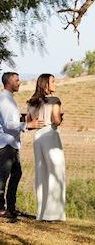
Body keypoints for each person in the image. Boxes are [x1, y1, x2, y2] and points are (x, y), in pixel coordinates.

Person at [0, 72, 43, 220]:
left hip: (12, 144)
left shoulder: (9, 99)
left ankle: (11, 207)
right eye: (17, 80)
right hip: (5, 145)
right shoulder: (5, 100)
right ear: (8, 82)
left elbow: (12, 120)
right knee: (2, 178)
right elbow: (8, 124)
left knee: (16, 174)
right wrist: (27, 124)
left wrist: (23, 120)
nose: (20, 82)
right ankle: (1, 209)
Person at [27, 73, 66, 221]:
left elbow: (30, 123)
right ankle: (54, 214)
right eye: (53, 81)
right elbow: (56, 120)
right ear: (46, 85)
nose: (55, 84)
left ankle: (41, 213)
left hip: (38, 136)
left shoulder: (32, 102)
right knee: (56, 172)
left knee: (41, 173)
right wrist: (60, 119)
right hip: (50, 135)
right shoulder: (55, 100)